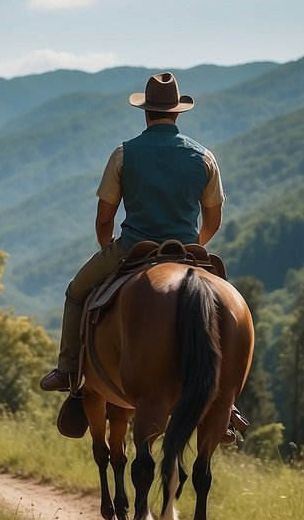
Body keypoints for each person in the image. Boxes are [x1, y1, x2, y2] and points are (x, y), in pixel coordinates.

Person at [39, 71, 225, 392]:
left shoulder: (124, 153)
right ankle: (227, 398)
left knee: (75, 293)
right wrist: (194, 245)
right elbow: (213, 220)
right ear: (176, 112)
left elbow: (103, 219)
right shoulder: (204, 157)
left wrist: (106, 246)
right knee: (225, 309)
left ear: (146, 111)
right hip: (186, 251)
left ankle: (69, 371)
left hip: (132, 247)